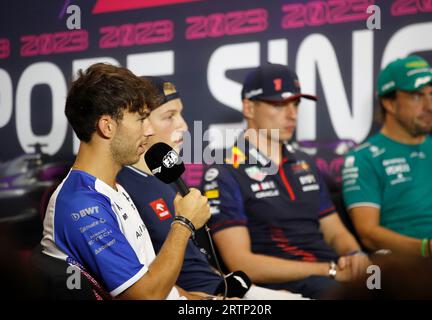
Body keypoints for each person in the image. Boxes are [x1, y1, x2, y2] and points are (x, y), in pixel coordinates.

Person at [117, 76, 307, 300]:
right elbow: (144, 287)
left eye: (180, 113)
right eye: (169, 116)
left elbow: (196, 264)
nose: (184, 126)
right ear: (141, 124)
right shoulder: (119, 189)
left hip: (221, 290)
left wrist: (253, 292)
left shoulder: (167, 176)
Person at [40, 63, 211, 300]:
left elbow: (155, 282)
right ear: (107, 126)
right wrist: (184, 223)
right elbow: (146, 297)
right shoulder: (81, 204)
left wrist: (213, 302)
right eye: (141, 119)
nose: (150, 130)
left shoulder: (113, 189)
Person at [200, 63, 370, 299]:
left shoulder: (305, 162)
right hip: (285, 287)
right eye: (279, 104)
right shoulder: (224, 171)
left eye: (295, 104)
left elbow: (334, 231)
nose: (292, 114)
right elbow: (242, 264)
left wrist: (355, 255)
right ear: (249, 107)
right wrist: (330, 270)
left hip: (332, 277)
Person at [342, 55, 432, 260]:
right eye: (417, 96)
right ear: (389, 103)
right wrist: (429, 248)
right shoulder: (362, 158)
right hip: (410, 266)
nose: (429, 106)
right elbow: (368, 235)